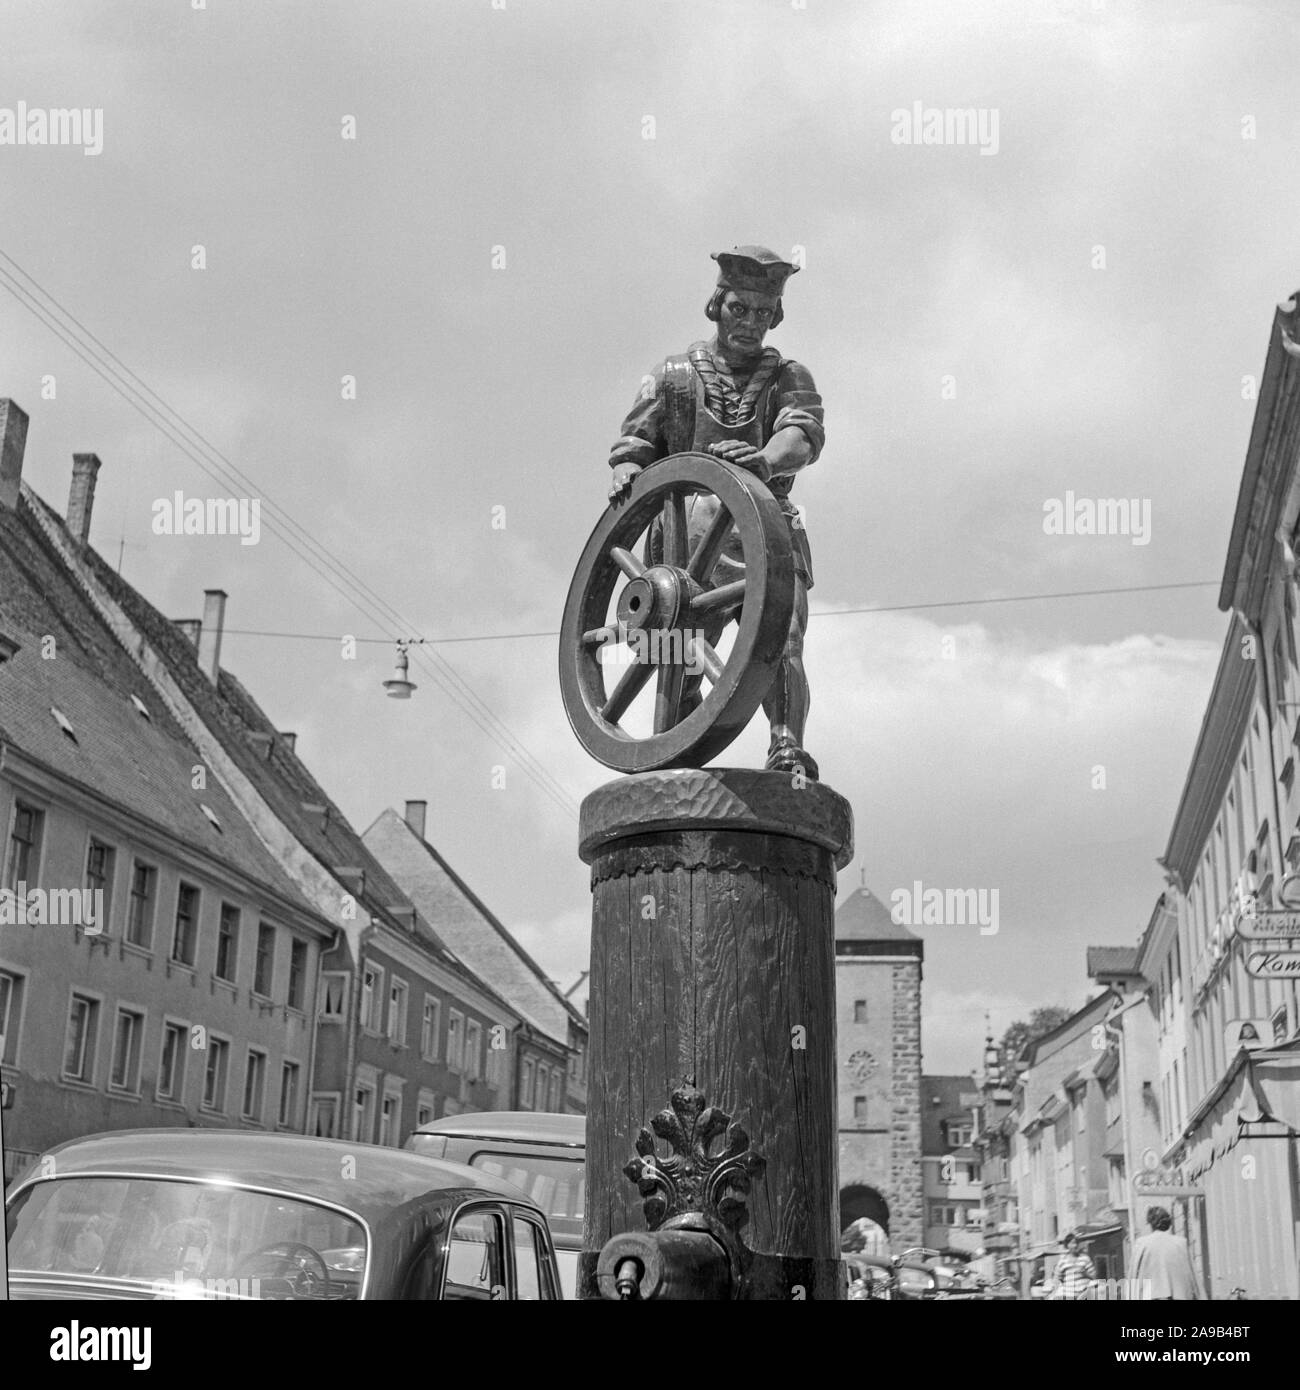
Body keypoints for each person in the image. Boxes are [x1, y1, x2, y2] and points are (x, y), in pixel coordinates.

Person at [607, 245, 825, 777]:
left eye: (761, 313)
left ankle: (785, 743)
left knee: (782, 639)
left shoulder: (789, 377)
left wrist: (766, 461)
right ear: (717, 306)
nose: (750, 323)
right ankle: (677, 732)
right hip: (690, 540)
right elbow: (634, 445)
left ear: (775, 316)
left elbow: (803, 435)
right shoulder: (672, 376)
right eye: (738, 309)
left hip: (766, 526)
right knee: (684, 642)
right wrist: (627, 473)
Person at [1131, 1205, 1203, 1300]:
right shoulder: (1181, 1243)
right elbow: (1194, 1278)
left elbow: (1133, 1275)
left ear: (1151, 1224)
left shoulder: (1141, 1244)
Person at [1052, 1231, 1096, 1300]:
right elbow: (1056, 1279)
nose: (1075, 1245)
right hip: (1069, 1294)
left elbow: (1094, 1276)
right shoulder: (1062, 1261)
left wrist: (1085, 1274)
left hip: (1084, 1293)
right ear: (1067, 1245)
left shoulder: (1085, 1259)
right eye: (1072, 1243)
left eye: (1076, 1243)